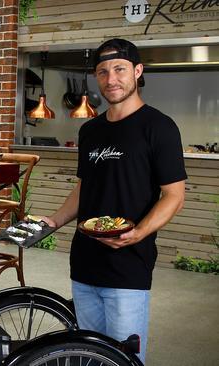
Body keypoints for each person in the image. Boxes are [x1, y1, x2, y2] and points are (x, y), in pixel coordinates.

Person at [42, 38, 186, 364]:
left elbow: (174, 196)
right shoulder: (90, 130)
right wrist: (53, 220)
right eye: (103, 72)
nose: (111, 79)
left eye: (120, 69)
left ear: (137, 71)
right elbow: (84, 188)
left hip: (128, 268)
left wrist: (138, 233)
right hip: (84, 264)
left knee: (122, 359)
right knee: (90, 357)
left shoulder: (159, 127)